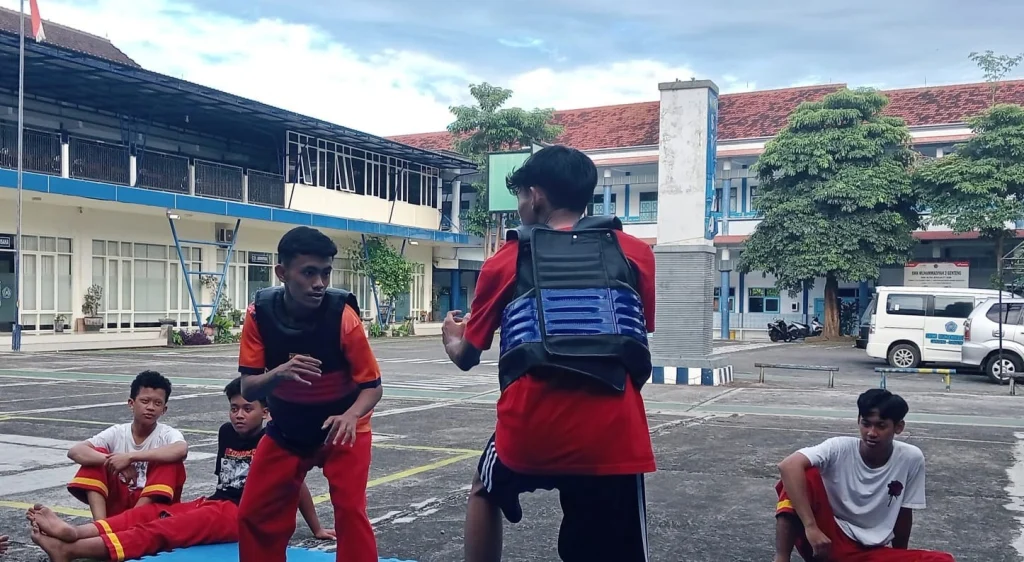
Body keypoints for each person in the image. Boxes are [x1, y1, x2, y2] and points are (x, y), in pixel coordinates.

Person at [442, 145, 657, 562]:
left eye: (520, 196)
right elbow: (635, 336)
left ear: (535, 195)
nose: (521, 206)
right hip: (614, 433)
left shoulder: (505, 259)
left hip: (530, 432)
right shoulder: (635, 253)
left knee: (483, 489)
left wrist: (452, 336)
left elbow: (468, 356)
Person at [26, 378, 334, 562]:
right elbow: (225, 480)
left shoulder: (273, 439)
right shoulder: (226, 432)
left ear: (266, 412)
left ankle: (73, 550)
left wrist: (316, 527)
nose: (239, 415)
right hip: (216, 503)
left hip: (243, 515)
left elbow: (297, 485)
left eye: (247, 409)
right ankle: (72, 533)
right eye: (234, 408)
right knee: (147, 515)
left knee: (162, 531)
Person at [236, 226, 382, 562]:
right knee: (253, 513)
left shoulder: (344, 318)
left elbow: (373, 387)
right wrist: (280, 373)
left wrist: (350, 415)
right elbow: (248, 387)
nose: (319, 283)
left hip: (342, 430)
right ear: (282, 273)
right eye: (309, 273)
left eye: (326, 272)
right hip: (288, 430)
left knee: (350, 513)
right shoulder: (258, 315)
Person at [774, 388, 955, 562]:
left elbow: (904, 513)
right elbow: (788, 465)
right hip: (825, 542)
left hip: (870, 551)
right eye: (866, 424)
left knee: (942, 560)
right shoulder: (839, 448)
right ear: (858, 420)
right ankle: (781, 559)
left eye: (881, 426)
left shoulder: (911, 458)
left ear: (898, 427)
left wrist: (899, 556)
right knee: (803, 475)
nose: (871, 433)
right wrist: (811, 527)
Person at [66, 371, 188, 521]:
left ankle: (128, 522)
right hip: (120, 501)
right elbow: (75, 451)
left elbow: (181, 450)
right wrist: (113, 461)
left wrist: (129, 457)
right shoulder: (118, 432)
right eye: (145, 401)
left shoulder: (167, 434)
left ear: (164, 410)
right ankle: (100, 525)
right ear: (131, 403)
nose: (150, 407)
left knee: (171, 462)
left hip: (152, 508)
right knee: (95, 456)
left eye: (157, 403)